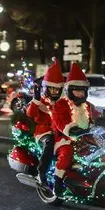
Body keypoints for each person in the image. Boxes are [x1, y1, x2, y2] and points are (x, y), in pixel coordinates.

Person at [52, 63, 98, 197]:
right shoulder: (61, 104)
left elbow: (97, 117)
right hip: (65, 139)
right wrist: (71, 130)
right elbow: (60, 122)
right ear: (70, 90)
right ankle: (58, 182)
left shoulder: (88, 106)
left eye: (83, 90)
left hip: (86, 137)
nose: (80, 93)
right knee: (67, 153)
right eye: (77, 90)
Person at [26, 58, 64, 188]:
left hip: (61, 131)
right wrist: (36, 100)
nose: (55, 92)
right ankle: (41, 172)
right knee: (50, 141)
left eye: (57, 89)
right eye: (52, 89)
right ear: (46, 88)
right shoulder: (41, 101)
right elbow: (30, 114)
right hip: (44, 132)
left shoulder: (62, 102)